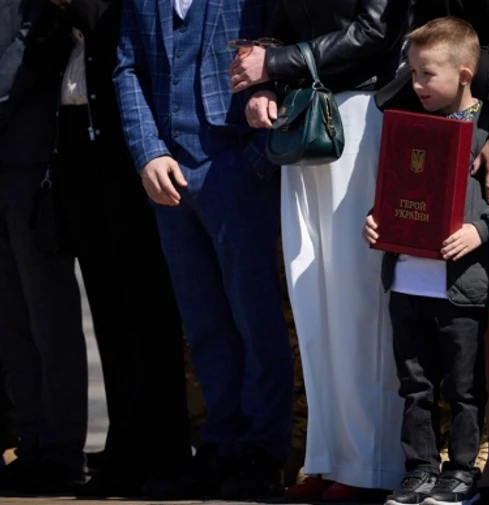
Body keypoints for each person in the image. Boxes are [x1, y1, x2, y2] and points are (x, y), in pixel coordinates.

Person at [376, 3, 489, 500]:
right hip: (420, 277)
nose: (414, 83)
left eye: (421, 76)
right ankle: (476, 451)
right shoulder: (420, 102)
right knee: (431, 369)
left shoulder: (476, 97)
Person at [229, 0, 410, 501]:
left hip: (363, 109)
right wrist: (262, 84)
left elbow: (374, 32)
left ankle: (372, 465)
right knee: (310, 291)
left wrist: (275, 66)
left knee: (359, 298)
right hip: (304, 111)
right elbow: (276, 29)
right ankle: (329, 458)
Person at [113, 0, 294, 498]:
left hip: (236, 164)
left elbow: (285, 44)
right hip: (169, 173)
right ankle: (219, 443)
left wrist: (257, 160)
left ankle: (264, 450)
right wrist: (147, 150)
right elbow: (128, 67)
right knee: (204, 322)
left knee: (255, 318)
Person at [44, 0, 193, 496]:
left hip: (125, 155)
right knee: (108, 310)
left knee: (145, 307)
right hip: (77, 148)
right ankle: (125, 445)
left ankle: (161, 450)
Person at [0, 0, 88, 493]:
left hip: (31, 159)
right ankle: (31, 443)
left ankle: (59, 450)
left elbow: (32, 46)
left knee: (46, 315)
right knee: (12, 321)